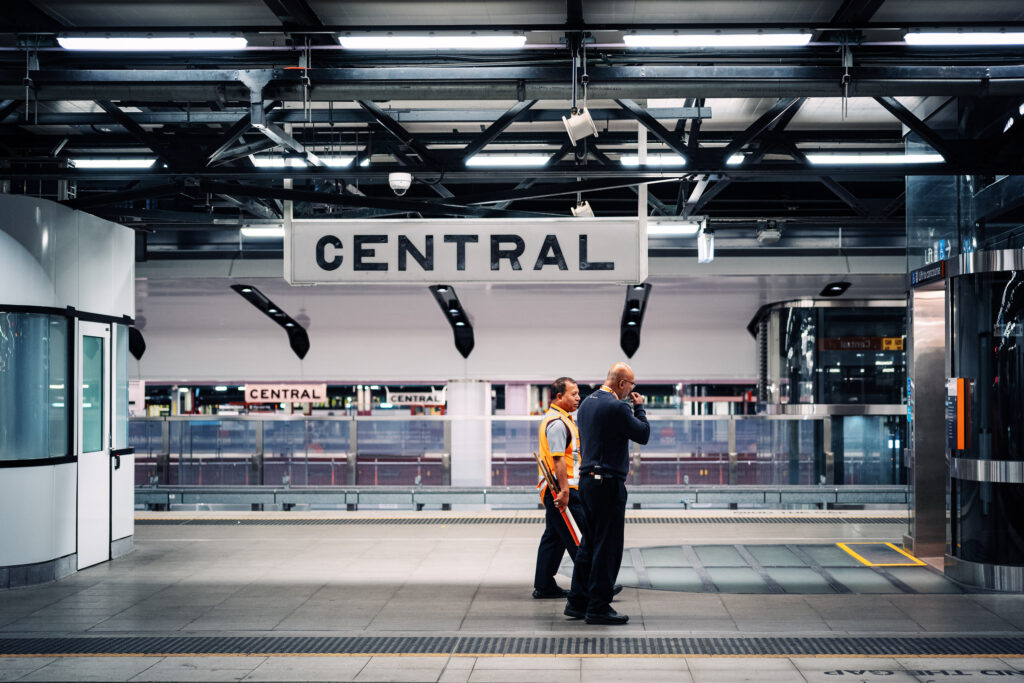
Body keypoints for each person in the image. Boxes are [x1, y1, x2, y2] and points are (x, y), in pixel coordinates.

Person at [565, 362, 649, 625]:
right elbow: (643, 434)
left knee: (589, 544)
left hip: (587, 482)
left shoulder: (587, 404)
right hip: (607, 484)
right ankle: (599, 607)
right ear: (622, 383)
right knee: (607, 547)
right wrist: (639, 407)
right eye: (631, 385)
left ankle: (577, 602)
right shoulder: (617, 407)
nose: (631, 391)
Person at [532, 377, 585, 599]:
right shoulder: (557, 423)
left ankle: (544, 585)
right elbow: (558, 459)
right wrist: (564, 492)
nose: (578, 398)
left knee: (554, 538)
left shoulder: (561, 419)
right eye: (573, 394)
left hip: (556, 489)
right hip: (562, 490)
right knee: (580, 539)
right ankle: (593, 588)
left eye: (578, 393)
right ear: (559, 397)